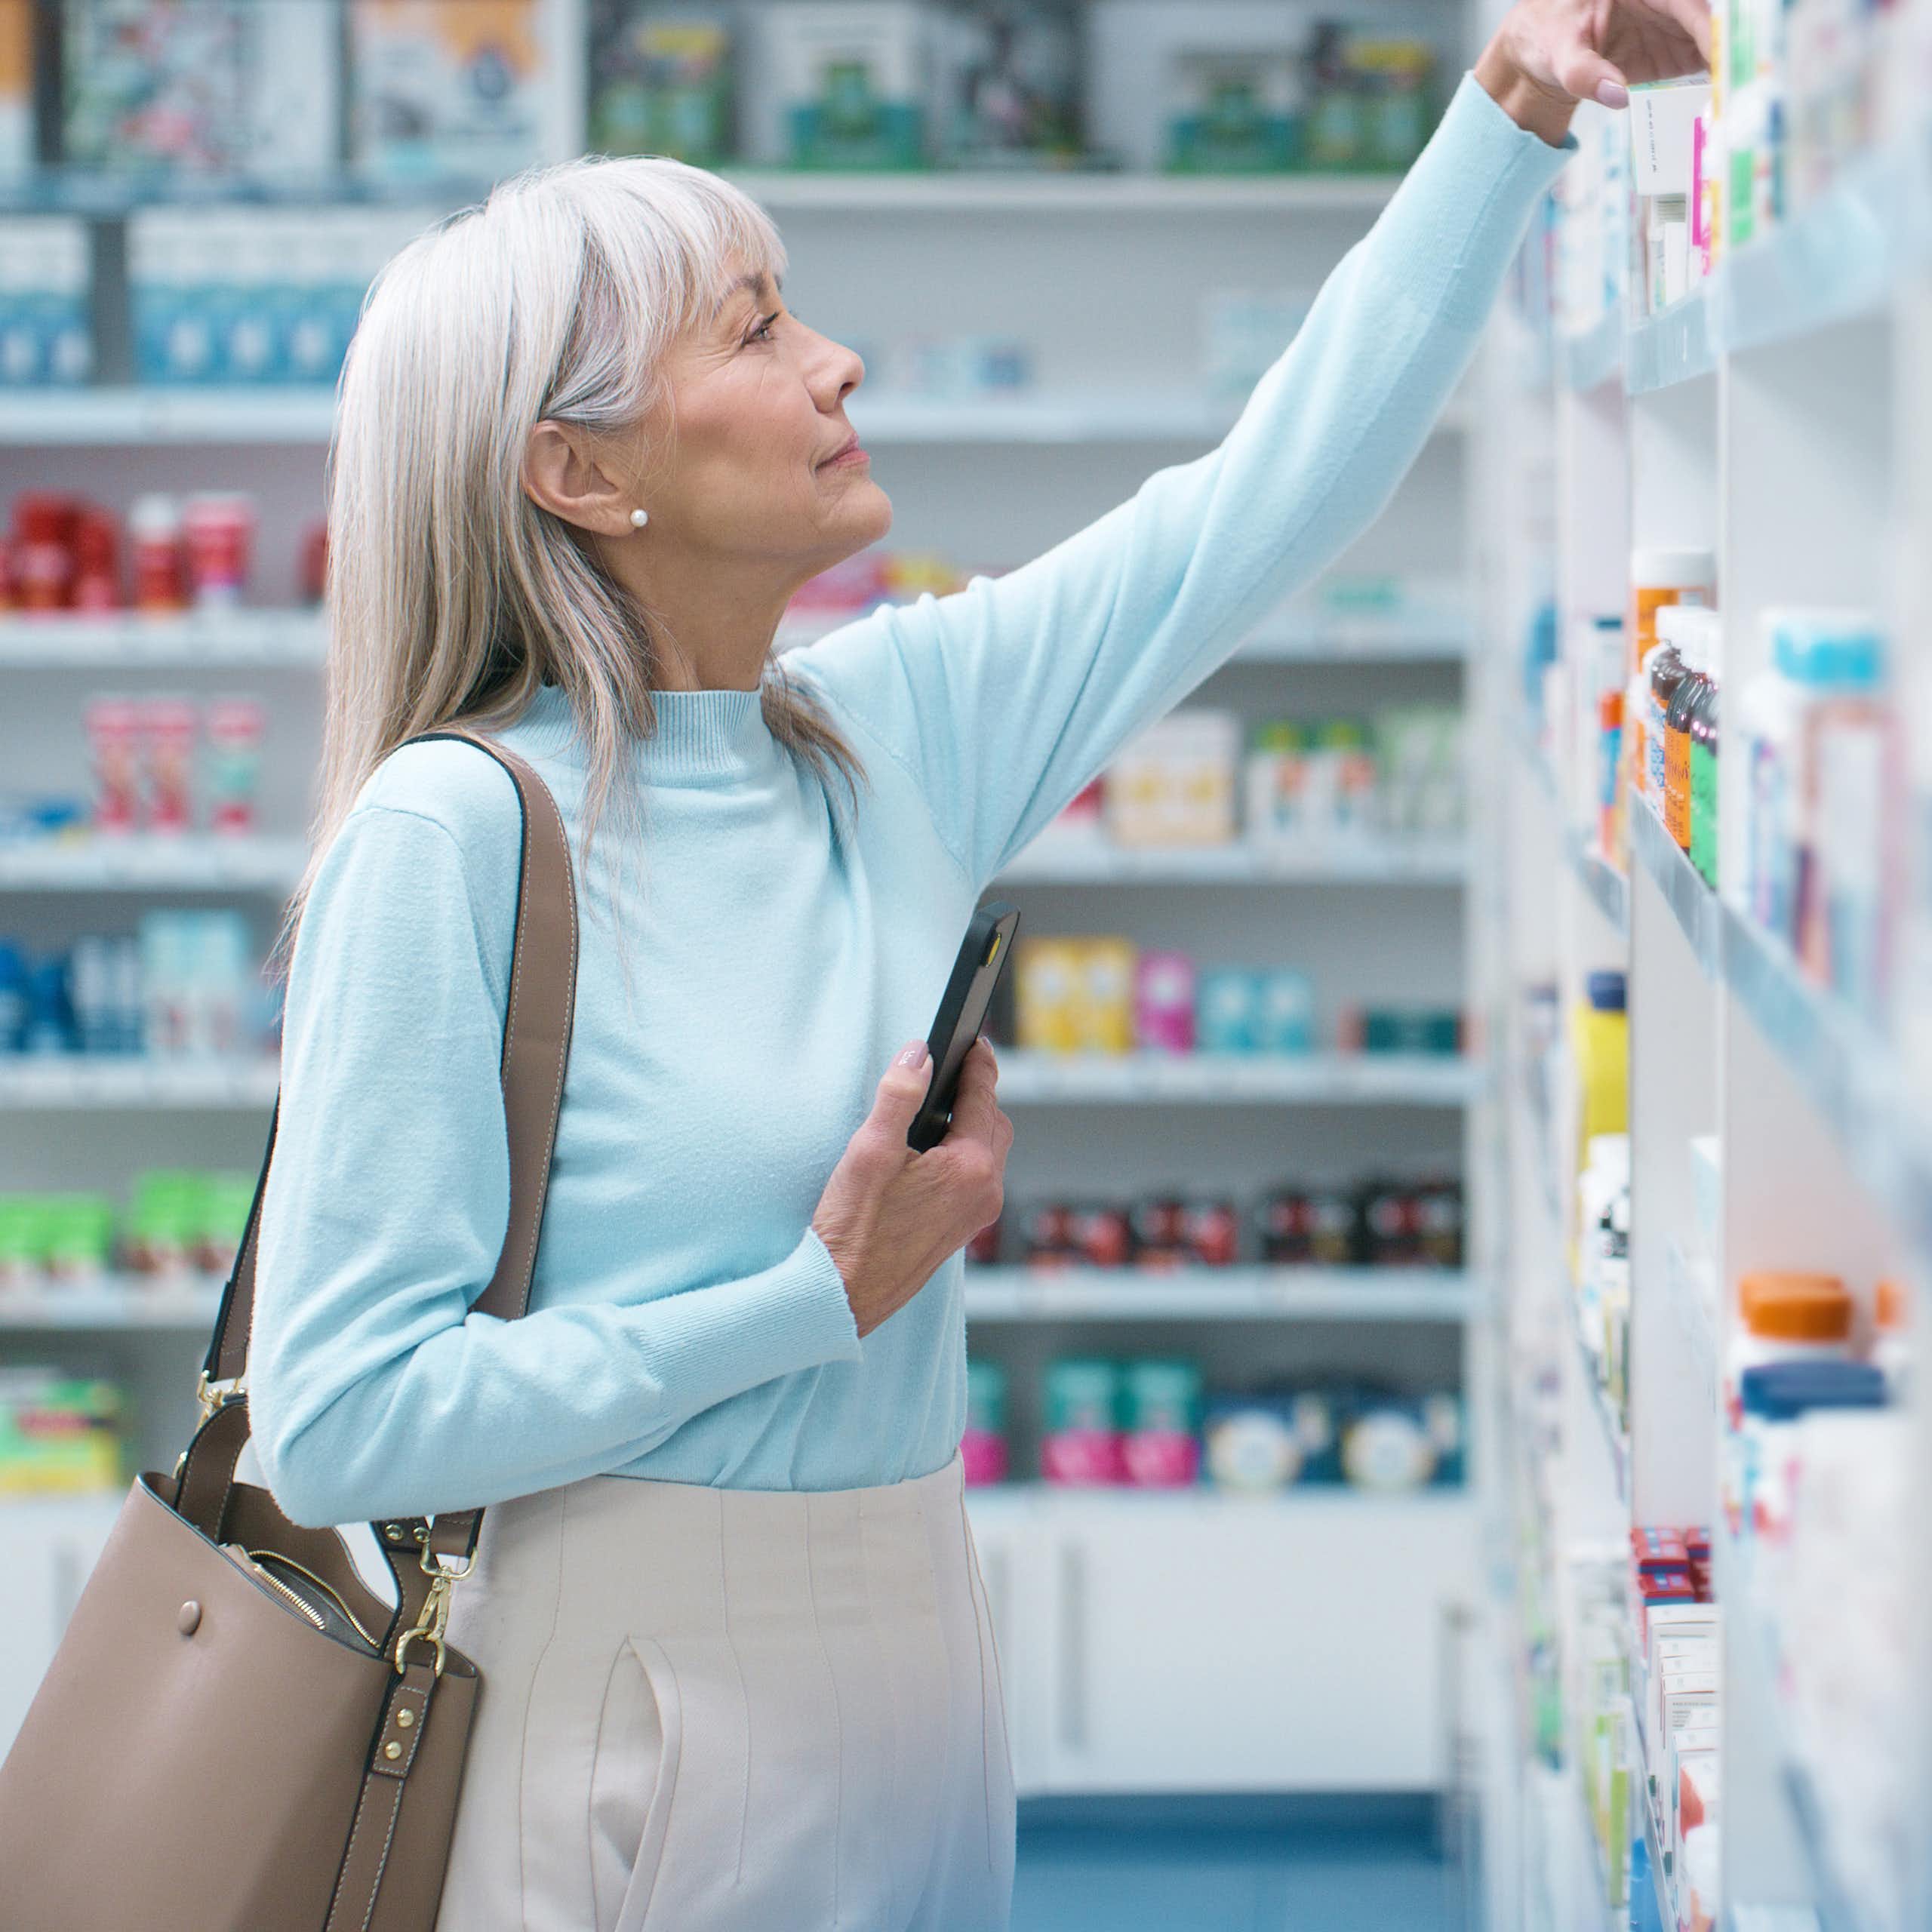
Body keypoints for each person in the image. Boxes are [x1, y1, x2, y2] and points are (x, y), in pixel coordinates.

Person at [248, 0, 1709, 1925]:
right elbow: (338, 1417)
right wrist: (811, 1297)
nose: (834, 357)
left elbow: (1263, 497)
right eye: (754, 328)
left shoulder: (883, 731)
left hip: (917, 1621)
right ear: (578, 473)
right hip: (627, 1686)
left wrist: (1514, 104)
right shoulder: (452, 838)